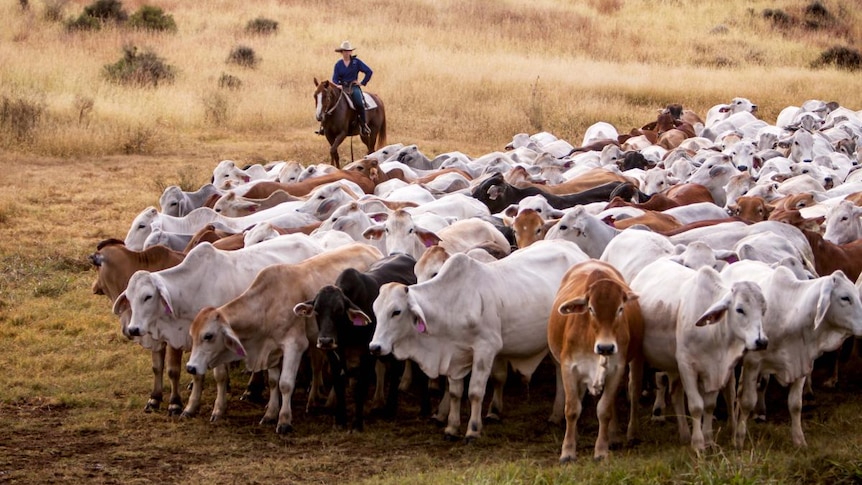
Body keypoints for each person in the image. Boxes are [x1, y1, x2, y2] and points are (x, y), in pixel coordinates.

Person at [325, 40, 373, 136]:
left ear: (351, 52)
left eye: (348, 51)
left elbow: (369, 71)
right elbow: (334, 78)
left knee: (359, 103)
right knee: (328, 102)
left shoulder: (356, 62)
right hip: (341, 87)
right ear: (341, 52)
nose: (347, 53)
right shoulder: (338, 64)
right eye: (345, 51)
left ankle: (364, 126)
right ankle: (324, 126)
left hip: (353, 87)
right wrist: (337, 84)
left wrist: (362, 83)